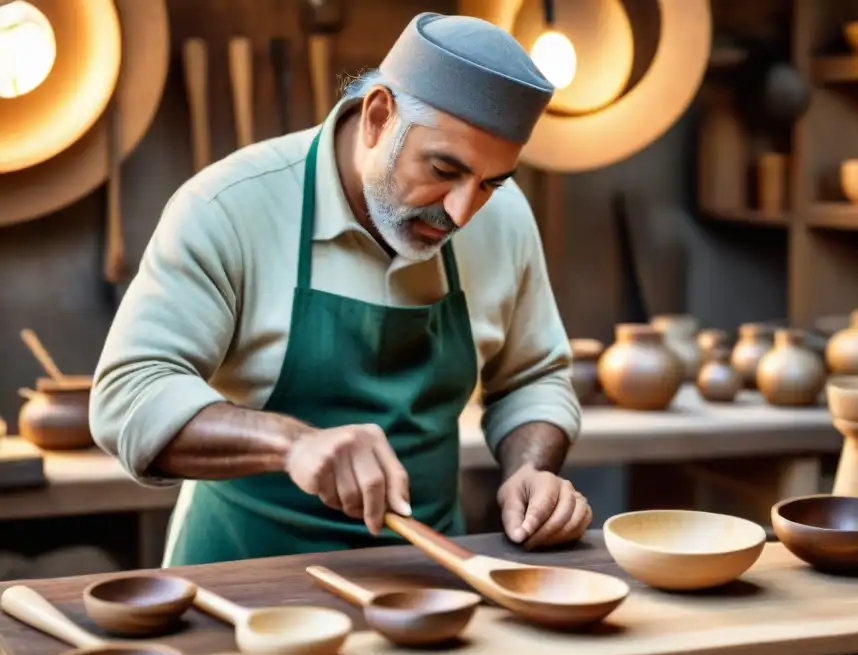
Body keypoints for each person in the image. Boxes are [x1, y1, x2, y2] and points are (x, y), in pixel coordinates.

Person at [89, 12, 591, 566]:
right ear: (378, 116)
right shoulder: (229, 207)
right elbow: (128, 397)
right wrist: (293, 442)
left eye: (490, 183)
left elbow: (533, 378)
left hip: (430, 583)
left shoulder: (504, 220)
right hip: (242, 581)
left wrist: (531, 470)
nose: (460, 210)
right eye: (444, 168)